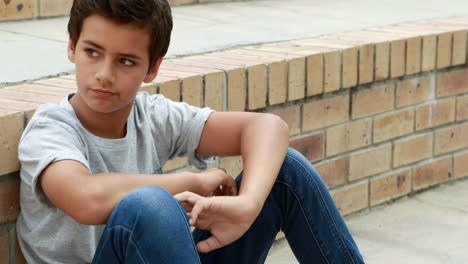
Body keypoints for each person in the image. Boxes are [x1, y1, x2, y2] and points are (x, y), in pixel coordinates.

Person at [16, 0, 365, 263]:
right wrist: (194, 181)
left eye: (125, 61)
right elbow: (86, 198)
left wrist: (247, 204)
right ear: (72, 48)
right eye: (93, 52)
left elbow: (267, 127)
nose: (104, 74)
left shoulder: (152, 115)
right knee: (150, 205)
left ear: (152, 68)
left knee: (286, 170)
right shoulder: (51, 128)